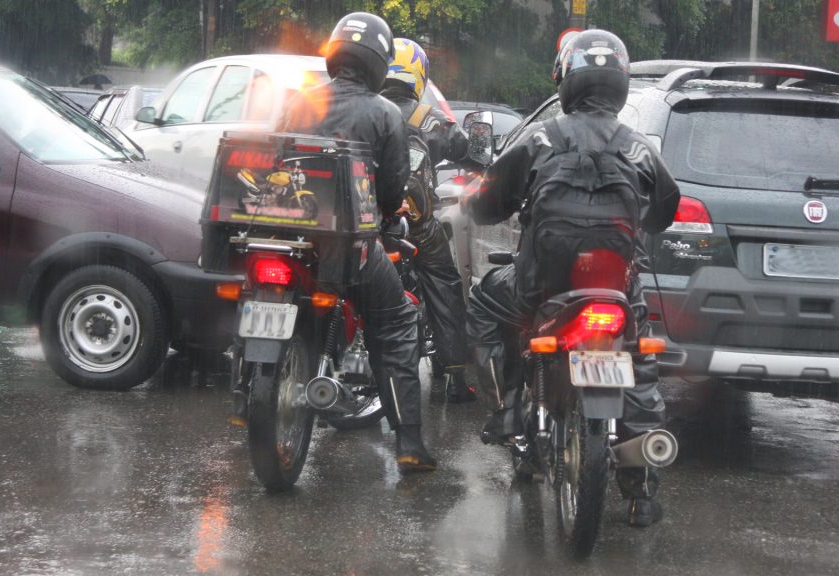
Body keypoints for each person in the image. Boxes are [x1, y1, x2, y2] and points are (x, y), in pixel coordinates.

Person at [462, 29, 681, 526]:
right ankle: (642, 488)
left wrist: (481, 203)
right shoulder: (639, 146)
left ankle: (505, 415)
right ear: (620, 84)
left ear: (566, 80)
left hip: (541, 285)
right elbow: (664, 211)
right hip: (615, 287)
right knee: (637, 354)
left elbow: (487, 205)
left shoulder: (540, 138)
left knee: (481, 304)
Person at [281, 12, 436, 473]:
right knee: (396, 323)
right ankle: (408, 442)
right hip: (350, 248)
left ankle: (245, 397)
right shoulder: (386, 114)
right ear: (377, 64)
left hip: (292, 239)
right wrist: (389, 215)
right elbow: (391, 192)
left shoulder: (299, 103)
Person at [380, 37, 476, 403]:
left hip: (360, 220)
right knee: (445, 284)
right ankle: (455, 374)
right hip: (414, 224)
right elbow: (469, 151)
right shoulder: (428, 117)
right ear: (418, 75)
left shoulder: (365, 107)